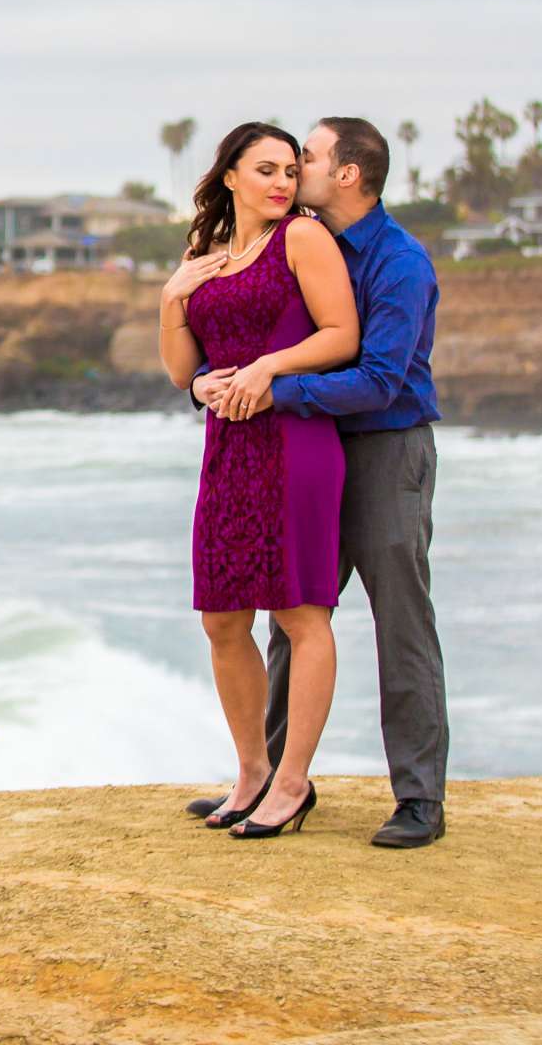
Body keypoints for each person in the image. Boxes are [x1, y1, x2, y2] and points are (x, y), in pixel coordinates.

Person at [185, 116, 449, 849]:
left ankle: (420, 798)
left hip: (386, 450)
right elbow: (256, 331)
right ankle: (267, 776)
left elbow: (377, 378)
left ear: (349, 174)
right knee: (288, 612)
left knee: (401, 623)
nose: (295, 167)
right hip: (307, 444)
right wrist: (218, 380)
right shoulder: (297, 236)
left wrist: (274, 387)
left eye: (308, 156)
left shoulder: (399, 263)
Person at [160, 122, 358, 840]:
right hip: (227, 447)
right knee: (221, 618)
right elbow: (182, 372)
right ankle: (252, 770)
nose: (281, 182)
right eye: (265, 170)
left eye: (288, 169)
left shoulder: (302, 239)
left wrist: (270, 366)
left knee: (302, 613)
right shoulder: (202, 256)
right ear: (231, 178)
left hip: (295, 440)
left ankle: (294, 782)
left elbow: (343, 334)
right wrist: (171, 299)